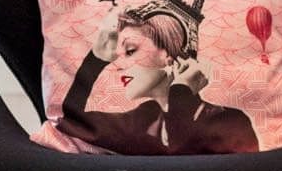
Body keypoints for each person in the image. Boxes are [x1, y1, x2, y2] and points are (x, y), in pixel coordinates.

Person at [32, 8, 259, 156]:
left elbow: (182, 159)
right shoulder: (140, 119)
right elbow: (71, 125)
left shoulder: (231, 120)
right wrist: (95, 60)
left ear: (169, 56)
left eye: (130, 50)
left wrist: (180, 93)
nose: (118, 64)